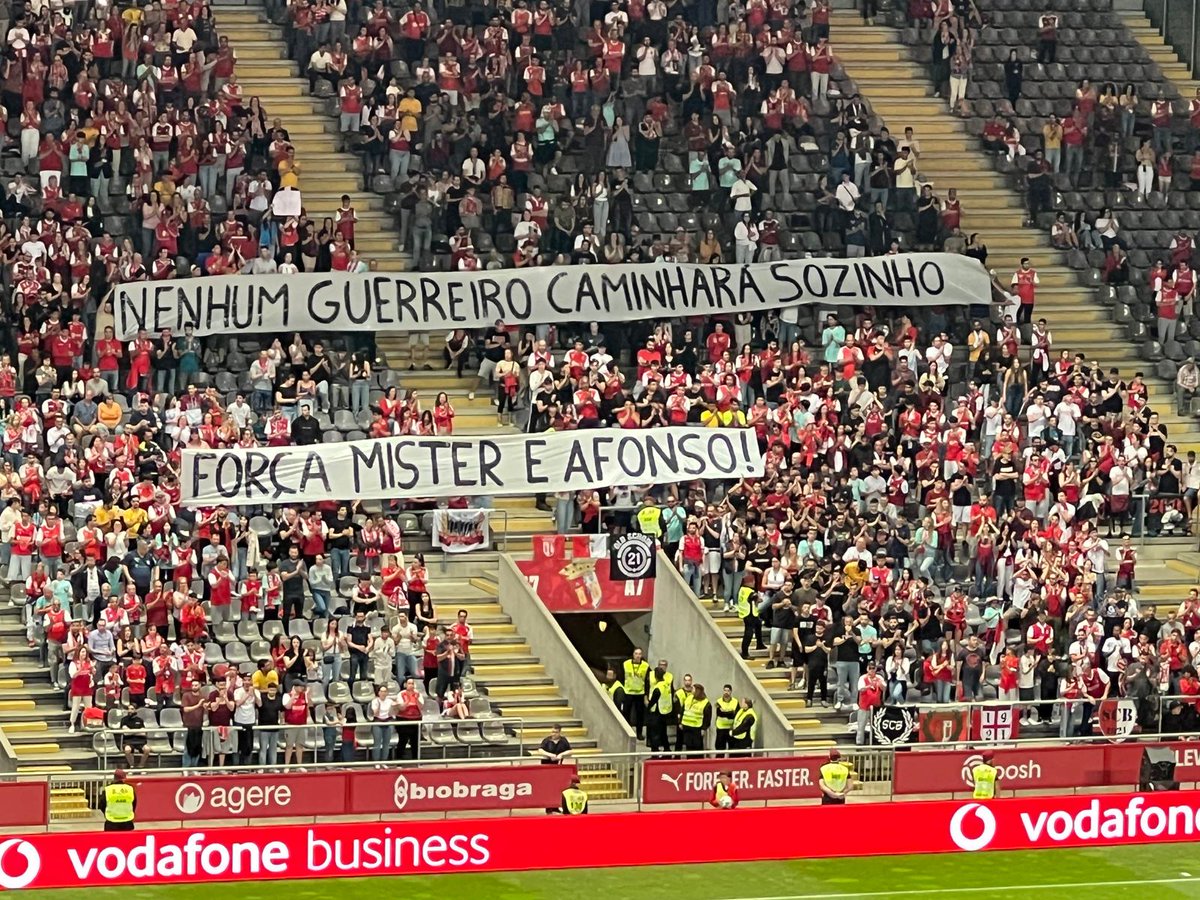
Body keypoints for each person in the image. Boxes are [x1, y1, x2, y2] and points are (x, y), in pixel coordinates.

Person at [621, 648, 649, 740]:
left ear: (641, 655)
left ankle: (639, 733)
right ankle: (626, 732)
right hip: (628, 692)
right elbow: (621, 676)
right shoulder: (626, 664)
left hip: (640, 693)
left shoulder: (645, 666)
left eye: (639, 654)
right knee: (626, 713)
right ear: (633, 654)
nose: (637, 656)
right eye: (636, 653)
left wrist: (646, 695)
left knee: (640, 715)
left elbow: (647, 681)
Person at [677, 683, 711, 752]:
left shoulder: (705, 703)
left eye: (693, 688)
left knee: (697, 747)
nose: (691, 690)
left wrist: (704, 728)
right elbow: (683, 710)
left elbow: (707, 718)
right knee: (688, 746)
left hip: (697, 728)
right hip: (686, 727)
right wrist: (680, 722)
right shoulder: (689, 698)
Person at [713, 684, 739, 754]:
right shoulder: (718, 701)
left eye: (728, 691)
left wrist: (725, 712)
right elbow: (720, 714)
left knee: (732, 748)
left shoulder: (735, 701)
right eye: (725, 690)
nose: (726, 692)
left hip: (731, 728)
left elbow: (735, 715)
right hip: (721, 728)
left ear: (731, 692)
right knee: (720, 748)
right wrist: (730, 712)